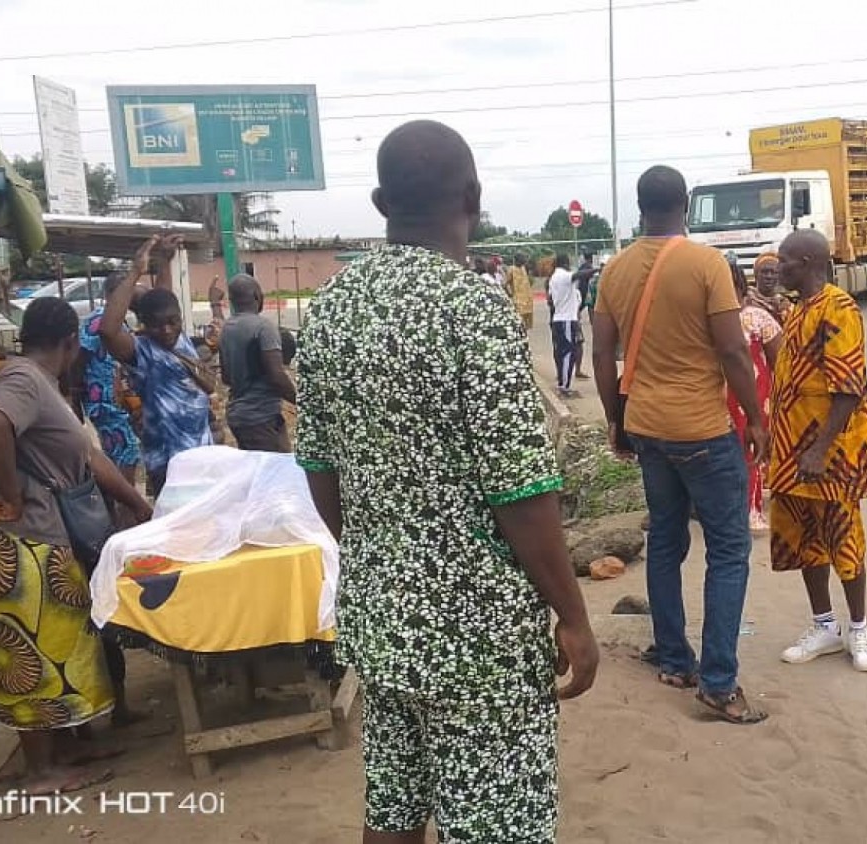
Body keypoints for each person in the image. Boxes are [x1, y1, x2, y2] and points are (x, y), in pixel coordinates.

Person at [295, 120, 597, 843]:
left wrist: (380, 556)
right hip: (478, 639)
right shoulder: (473, 309)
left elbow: (317, 467)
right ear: (474, 198)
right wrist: (574, 615)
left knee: (394, 810)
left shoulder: (331, 309)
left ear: (378, 202)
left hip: (380, 621)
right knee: (497, 825)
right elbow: (521, 489)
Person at [0, 296, 154, 795]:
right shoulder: (23, 380)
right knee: (30, 649)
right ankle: (40, 771)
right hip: (16, 542)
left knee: (62, 644)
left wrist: (138, 504)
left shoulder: (42, 385)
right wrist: (10, 494)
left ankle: (70, 746)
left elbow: (88, 457)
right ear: (69, 344)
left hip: (44, 538)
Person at [591, 165, 768, 725]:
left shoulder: (614, 269)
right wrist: (758, 419)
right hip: (702, 430)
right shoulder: (706, 263)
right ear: (685, 204)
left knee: (666, 540)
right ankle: (718, 683)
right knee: (728, 550)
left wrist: (616, 419)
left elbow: (602, 356)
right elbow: (734, 352)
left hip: (648, 428)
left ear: (639, 207)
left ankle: (672, 657)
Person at [767, 230, 867, 673]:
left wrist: (819, 449)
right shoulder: (798, 310)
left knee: (842, 537)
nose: (779, 268)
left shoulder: (839, 308)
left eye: (786, 260)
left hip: (830, 453)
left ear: (811, 261)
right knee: (805, 540)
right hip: (792, 453)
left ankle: (858, 628)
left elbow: (848, 388)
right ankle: (824, 627)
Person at [99, 235, 215, 497]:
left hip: (203, 456)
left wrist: (164, 260)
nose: (165, 330)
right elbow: (107, 331)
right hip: (170, 464)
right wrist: (136, 271)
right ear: (143, 324)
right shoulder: (141, 352)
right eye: (156, 325)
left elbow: (163, 297)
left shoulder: (180, 337)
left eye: (173, 322)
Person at [77, 271, 143, 515]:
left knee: (121, 455)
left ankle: (120, 512)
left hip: (112, 400)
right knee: (126, 453)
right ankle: (125, 513)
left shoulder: (118, 322)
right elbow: (80, 356)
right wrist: (74, 395)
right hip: (102, 400)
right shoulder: (99, 320)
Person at [724, 254, 782, 533]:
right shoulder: (704, 321)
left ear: (740, 288)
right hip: (717, 400)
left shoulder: (757, 318)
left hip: (754, 398)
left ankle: (751, 510)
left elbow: (780, 360)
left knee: (751, 455)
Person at [219, 274, 298, 452]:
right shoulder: (263, 327)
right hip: (261, 417)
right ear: (257, 296)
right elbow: (276, 376)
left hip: (238, 417)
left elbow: (226, 377)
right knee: (275, 473)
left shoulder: (227, 328)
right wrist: (301, 402)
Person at [547, 252, 581, 396]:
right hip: (566, 319)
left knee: (563, 353)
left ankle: (563, 382)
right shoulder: (562, 275)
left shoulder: (554, 277)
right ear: (566, 263)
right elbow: (578, 275)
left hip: (559, 318)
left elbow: (550, 300)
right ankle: (564, 387)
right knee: (568, 353)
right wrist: (597, 270)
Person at [748, 251, 792, 325]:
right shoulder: (747, 301)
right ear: (756, 274)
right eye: (764, 272)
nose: (769, 276)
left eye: (774, 272)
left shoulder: (785, 305)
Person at [507, 254, 535, 330]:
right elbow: (506, 283)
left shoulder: (523, 268)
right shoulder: (511, 269)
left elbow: (529, 282)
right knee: (519, 322)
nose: (523, 262)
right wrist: (509, 293)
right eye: (522, 260)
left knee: (526, 324)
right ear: (516, 260)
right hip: (518, 299)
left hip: (527, 299)